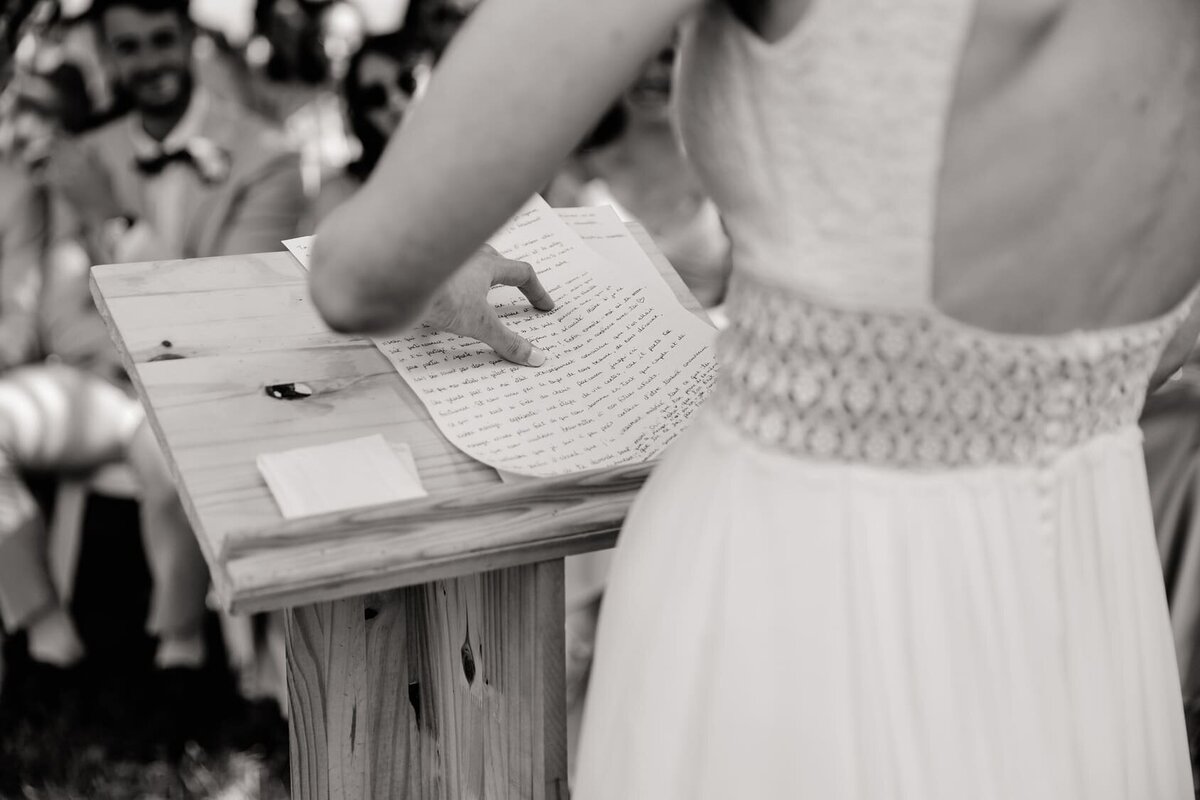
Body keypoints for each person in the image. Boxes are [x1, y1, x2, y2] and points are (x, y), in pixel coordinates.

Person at [308, 0, 1200, 796]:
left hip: (801, 587)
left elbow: (363, 275)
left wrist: (441, 256)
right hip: (1091, 587)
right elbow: (1156, 342)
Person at [51, 0, 305, 265]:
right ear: (106, 54)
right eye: (128, 47)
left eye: (162, 41)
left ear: (189, 37)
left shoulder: (269, 157)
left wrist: (112, 218)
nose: (149, 64)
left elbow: (235, 297)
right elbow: (64, 302)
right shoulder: (84, 158)